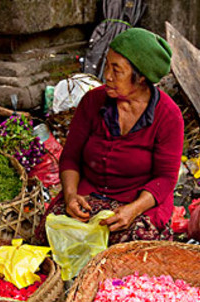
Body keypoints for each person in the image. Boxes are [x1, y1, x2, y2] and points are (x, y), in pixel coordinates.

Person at [36, 27, 184, 245]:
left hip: (137, 201)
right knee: (51, 236)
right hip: (89, 193)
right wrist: (70, 195)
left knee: (131, 249)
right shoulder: (92, 102)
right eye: (107, 65)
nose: (107, 76)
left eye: (117, 70)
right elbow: (71, 157)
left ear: (141, 76)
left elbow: (165, 178)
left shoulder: (168, 116)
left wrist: (132, 210)